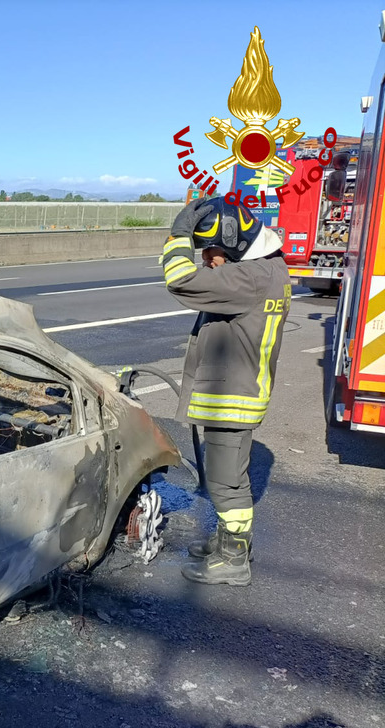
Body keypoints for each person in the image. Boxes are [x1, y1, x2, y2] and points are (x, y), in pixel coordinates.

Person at [159, 197, 290, 586]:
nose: (206, 259)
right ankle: (228, 541)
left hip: (235, 398)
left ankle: (233, 559)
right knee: (224, 475)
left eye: (210, 251)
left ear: (232, 245)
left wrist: (178, 236)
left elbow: (180, 280)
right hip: (237, 393)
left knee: (226, 481)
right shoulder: (265, 271)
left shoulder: (248, 278)